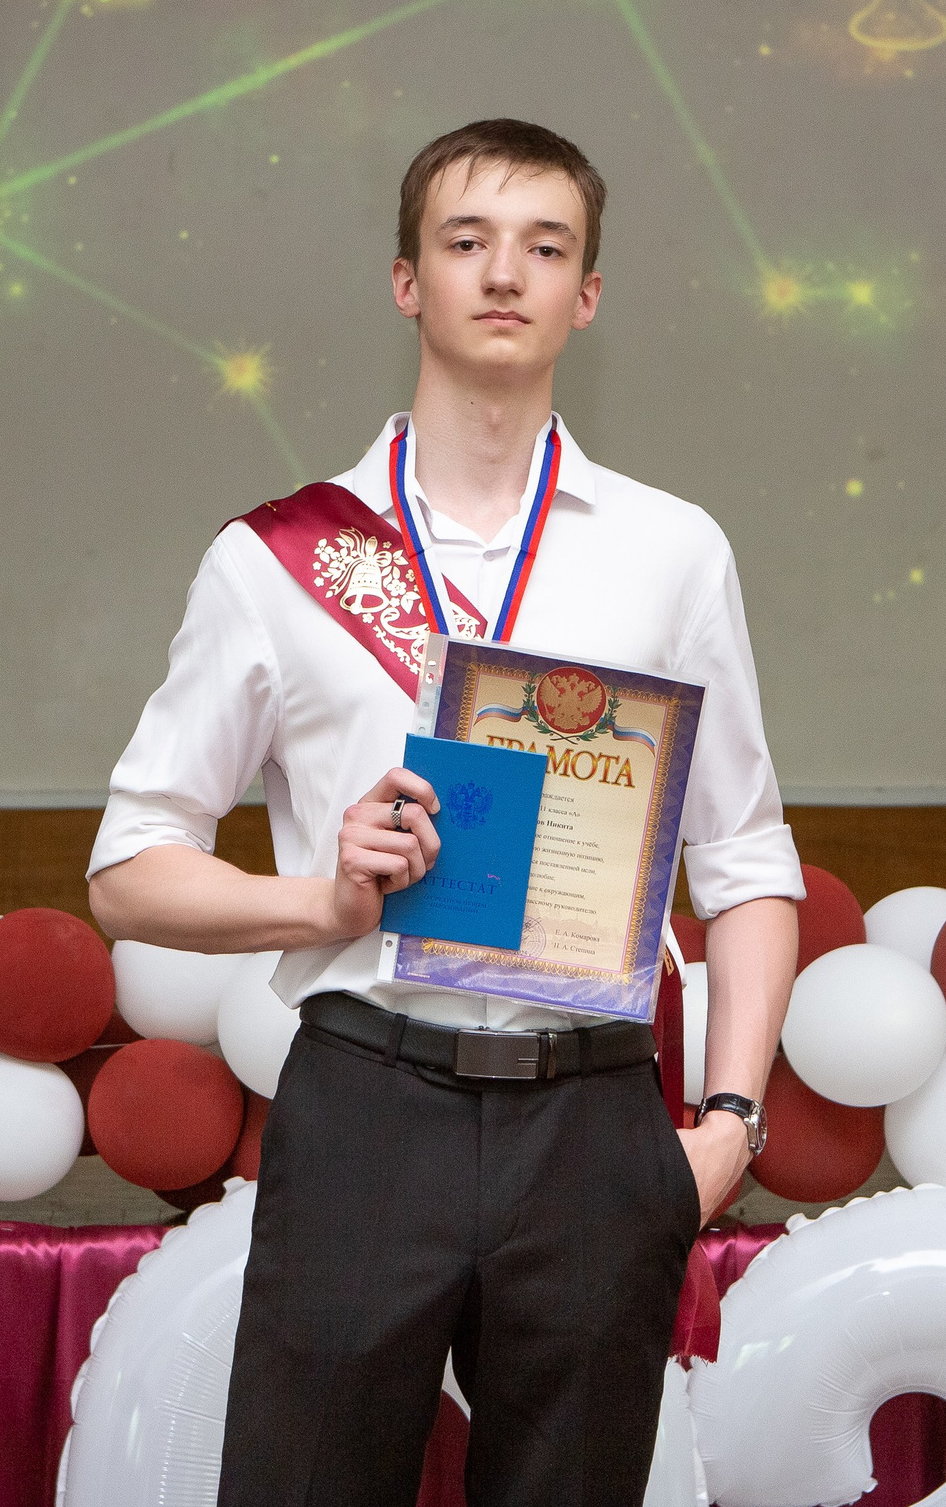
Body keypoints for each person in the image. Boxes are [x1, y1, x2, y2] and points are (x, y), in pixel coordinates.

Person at [86, 118, 804, 1507]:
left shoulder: (671, 549)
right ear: (406, 280)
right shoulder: (278, 559)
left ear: (587, 296)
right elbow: (129, 867)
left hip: (596, 1118)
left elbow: (745, 852)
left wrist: (726, 1119)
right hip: (369, 1098)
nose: (504, 274)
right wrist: (321, 901)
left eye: (546, 247)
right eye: (465, 241)